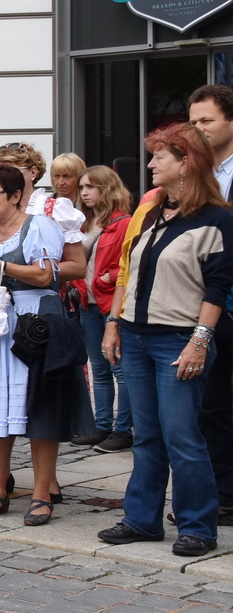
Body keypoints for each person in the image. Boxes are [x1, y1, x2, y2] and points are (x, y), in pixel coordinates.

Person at [99, 125, 233, 556]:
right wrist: (113, 322)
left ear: (186, 162)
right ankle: (141, 519)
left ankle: (198, 525)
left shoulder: (218, 218)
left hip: (177, 340)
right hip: (136, 338)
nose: (151, 164)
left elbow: (218, 287)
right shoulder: (153, 212)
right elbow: (128, 272)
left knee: (183, 436)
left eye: (160, 157)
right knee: (147, 436)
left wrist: (199, 341)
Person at [0, 163, 75, 527]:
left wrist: (1, 267)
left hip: (34, 322)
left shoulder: (37, 225)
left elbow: (46, 274)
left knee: (39, 409)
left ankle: (42, 495)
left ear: (15, 195)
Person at [188, 84, 233, 513]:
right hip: (202, 302)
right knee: (212, 406)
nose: (199, 129)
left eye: (207, 120)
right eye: (194, 122)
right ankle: (221, 495)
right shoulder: (193, 177)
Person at [79, 166, 134, 450]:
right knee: (98, 367)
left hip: (111, 302)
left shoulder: (123, 222)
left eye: (90, 186)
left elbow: (131, 264)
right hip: (87, 303)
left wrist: (108, 276)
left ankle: (123, 430)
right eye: (82, 187)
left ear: (106, 188)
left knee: (119, 368)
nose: (84, 192)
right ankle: (101, 427)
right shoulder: (84, 223)